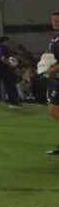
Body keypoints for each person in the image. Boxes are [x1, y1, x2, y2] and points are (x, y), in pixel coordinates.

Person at [44, 11, 59, 155]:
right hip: (56, 78)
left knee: (54, 110)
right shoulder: (55, 37)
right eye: (52, 19)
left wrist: (54, 70)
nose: (53, 22)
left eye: (56, 19)